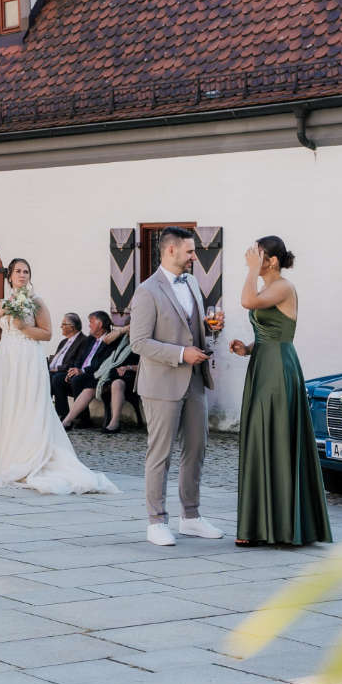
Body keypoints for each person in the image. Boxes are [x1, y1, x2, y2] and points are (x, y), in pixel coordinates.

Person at [0, 259, 116, 496]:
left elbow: (47, 333)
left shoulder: (36, 301)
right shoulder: (4, 303)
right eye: (17, 271)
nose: (22, 275)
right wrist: (1, 311)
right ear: (9, 276)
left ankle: (29, 455)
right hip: (6, 357)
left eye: (26, 271)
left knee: (28, 405)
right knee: (7, 405)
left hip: (28, 356)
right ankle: (4, 459)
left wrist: (22, 327)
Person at [229, 237, 334, 549]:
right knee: (260, 438)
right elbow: (267, 329)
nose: (252, 258)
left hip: (278, 370)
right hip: (262, 363)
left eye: (258, 254)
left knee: (277, 436)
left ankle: (286, 526)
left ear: (272, 260)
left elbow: (248, 302)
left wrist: (250, 271)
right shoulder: (267, 289)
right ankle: (258, 524)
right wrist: (247, 348)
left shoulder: (283, 287)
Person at [131, 226, 221, 546]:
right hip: (161, 383)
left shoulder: (193, 282)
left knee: (196, 449)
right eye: (189, 251)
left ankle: (191, 517)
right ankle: (155, 521)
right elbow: (139, 342)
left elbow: (195, 330)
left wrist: (210, 333)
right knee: (161, 453)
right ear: (170, 251)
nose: (194, 257)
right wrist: (182, 354)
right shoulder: (146, 290)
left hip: (195, 381)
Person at [58, 311, 118, 429]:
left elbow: (101, 363)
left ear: (99, 324)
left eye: (91, 322)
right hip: (83, 372)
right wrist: (74, 369)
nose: (89, 325)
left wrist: (82, 371)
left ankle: (82, 419)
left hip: (96, 374)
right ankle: (62, 415)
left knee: (77, 379)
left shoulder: (109, 340)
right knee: (58, 379)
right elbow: (81, 358)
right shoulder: (90, 339)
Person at [47, 313, 97, 419]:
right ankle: (46, 413)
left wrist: (57, 369)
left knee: (56, 378)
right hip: (56, 371)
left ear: (72, 327)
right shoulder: (63, 342)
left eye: (63, 324)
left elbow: (77, 362)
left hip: (70, 373)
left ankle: (62, 414)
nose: (61, 326)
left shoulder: (83, 341)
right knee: (41, 377)